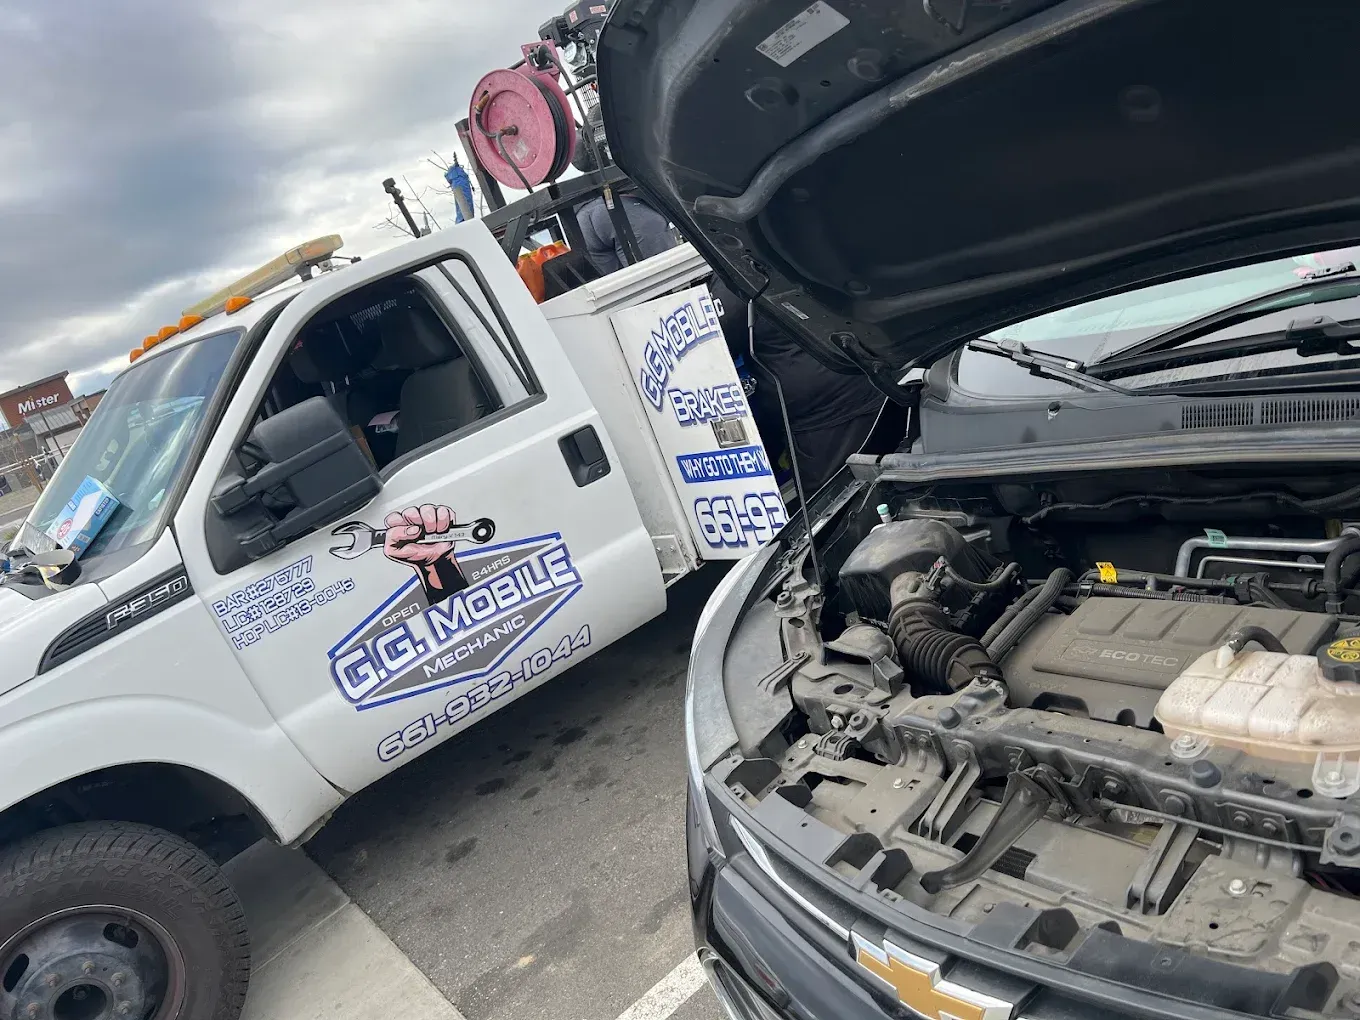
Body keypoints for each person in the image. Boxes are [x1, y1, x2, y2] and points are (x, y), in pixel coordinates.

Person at [709, 277, 885, 493]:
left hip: (823, 418)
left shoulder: (735, 272)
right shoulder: (796, 247)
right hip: (869, 380)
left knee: (837, 501)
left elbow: (713, 345)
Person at [570, 106, 678, 275]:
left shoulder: (598, 121)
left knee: (616, 294)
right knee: (670, 281)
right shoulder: (633, 119)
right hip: (631, 211)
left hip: (585, 213)